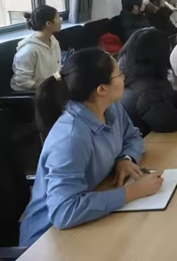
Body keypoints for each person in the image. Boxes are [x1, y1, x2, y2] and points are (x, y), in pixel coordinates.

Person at [19, 49, 164, 246]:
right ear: (102, 89)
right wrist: (133, 192)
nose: (124, 77)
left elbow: (133, 136)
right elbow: (64, 212)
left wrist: (125, 159)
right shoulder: (71, 137)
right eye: (120, 73)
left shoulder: (111, 107)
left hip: (91, 210)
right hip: (48, 238)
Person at [120, 28, 177, 136]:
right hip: (152, 141)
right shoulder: (146, 88)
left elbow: (166, 97)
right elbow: (167, 120)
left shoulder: (141, 73)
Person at [11, 5, 62, 91]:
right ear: (48, 24)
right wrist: (47, 89)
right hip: (32, 92)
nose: (61, 20)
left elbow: (56, 69)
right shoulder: (29, 50)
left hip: (49, 87)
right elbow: (23, 81)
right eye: (58, 18)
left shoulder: (54, 41)